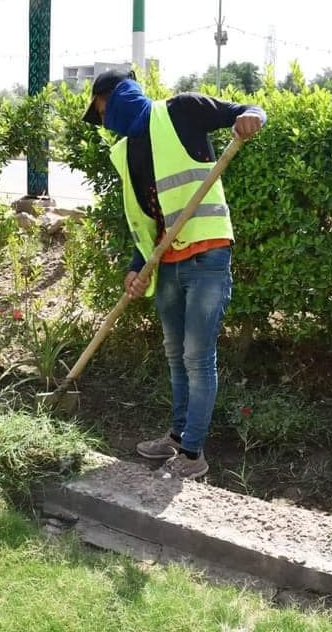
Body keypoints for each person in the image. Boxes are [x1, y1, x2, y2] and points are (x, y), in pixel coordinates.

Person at [82, 70, 265, 480]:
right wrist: (136, 267)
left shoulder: (181, 110)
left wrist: (252, 117)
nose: (105, 120)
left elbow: (245, 110)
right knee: (175, 355)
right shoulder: (127, 152)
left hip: (207, 257)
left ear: (117, 95)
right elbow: (148, 220)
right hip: (166, 263)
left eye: (103, 110)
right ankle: (177, 435)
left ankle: (193, 454)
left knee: (197, 358)